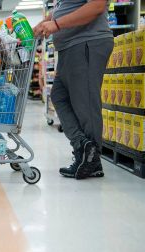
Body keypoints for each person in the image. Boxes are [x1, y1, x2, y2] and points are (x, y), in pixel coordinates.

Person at [33, 0, 113, 179]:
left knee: (85, 104)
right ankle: (83, 146)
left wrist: (56, 24)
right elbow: (63, 7)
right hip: (71, 46)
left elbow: (96, 6)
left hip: (87, 42)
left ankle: (92, 160)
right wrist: (43, 23)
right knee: (59, 96)